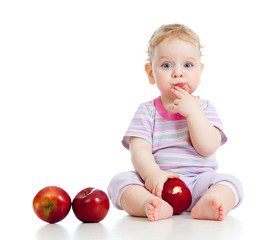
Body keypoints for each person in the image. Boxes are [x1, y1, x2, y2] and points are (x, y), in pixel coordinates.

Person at [108, 24, 243, 222]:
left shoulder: (204, 108)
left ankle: (210, 201)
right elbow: (139, 150)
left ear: (200, 70)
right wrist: (152, 174)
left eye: (187, 65)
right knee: (120, 181)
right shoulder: (147, 111)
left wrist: (193, 113)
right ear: (151, 73)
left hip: (199, 183)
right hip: (157, 185)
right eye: (167, 65)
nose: (178, 73)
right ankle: (149, 204)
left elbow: (207, 147)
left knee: (230, 183)